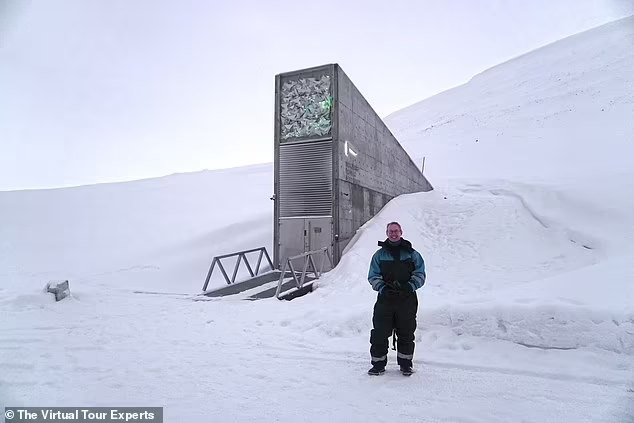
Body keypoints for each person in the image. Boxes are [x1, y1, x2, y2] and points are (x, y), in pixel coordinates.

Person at [367, 221, 426, 376]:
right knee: (379, 333)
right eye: (390, 231)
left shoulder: (412, 254)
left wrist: (409, 287)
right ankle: (378, 365)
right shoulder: (379, 255)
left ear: (401, 232)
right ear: (387, 233)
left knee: (406, 332)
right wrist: (383, 288)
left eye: (396, 231)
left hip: (406, 300)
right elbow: (373, 276)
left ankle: (406, 364)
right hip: (385, 300)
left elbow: (420, 274)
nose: (393, 233)